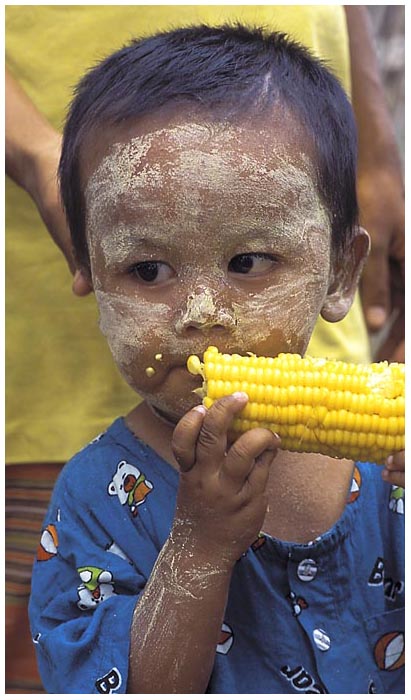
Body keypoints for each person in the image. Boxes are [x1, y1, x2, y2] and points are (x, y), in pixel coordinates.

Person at [28, 25, 404, 694]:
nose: (201, 313)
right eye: (147, 269)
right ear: (87, 273)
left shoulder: (391, 473)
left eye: (248, 262)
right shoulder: (96, 498)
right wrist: (198, 547)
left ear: (339, 275)